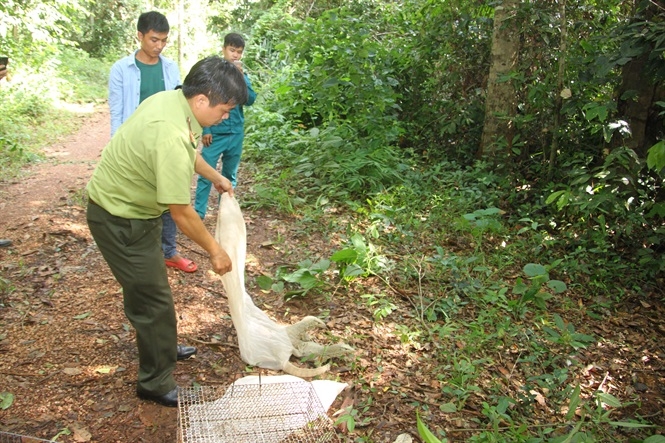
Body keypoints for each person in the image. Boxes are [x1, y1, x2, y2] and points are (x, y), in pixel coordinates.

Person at [86, 56, 249, 407]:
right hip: (120, 218)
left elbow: (191, 154)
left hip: (135, 213)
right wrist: (215, 251)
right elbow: (181, 212)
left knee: (148, 286)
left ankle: (160, 344)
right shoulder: (171, 131)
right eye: (224, 110)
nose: (225, 117)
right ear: (202, 100)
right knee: (154, 300)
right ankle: (155, 383)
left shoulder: (173, 101)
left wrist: (214, 175)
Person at [108, 11, 198, 273]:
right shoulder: (121, 70)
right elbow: (117, 111)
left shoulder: (170, 68)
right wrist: (116, 147)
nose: (159, 46)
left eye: (164, 41)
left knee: (171, 197)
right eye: (154, 40)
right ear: (139, 36)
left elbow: (180, 105)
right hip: (135, 146)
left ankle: (169, 251)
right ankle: (138, 250)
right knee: (137, 197)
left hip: (165, 142)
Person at [194, 33, 257, 219]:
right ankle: (199, 212)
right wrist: (206, 129)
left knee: (230, 175)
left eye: (239, 52)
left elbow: (251, 99)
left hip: (235, 132)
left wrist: (242, 77)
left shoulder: (241, 76)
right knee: (207, 172)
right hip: (215, 132)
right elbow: (204, 101)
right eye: (232, 50)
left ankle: (226, 212)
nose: (235, 55)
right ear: (223, 49)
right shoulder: (215, 73)